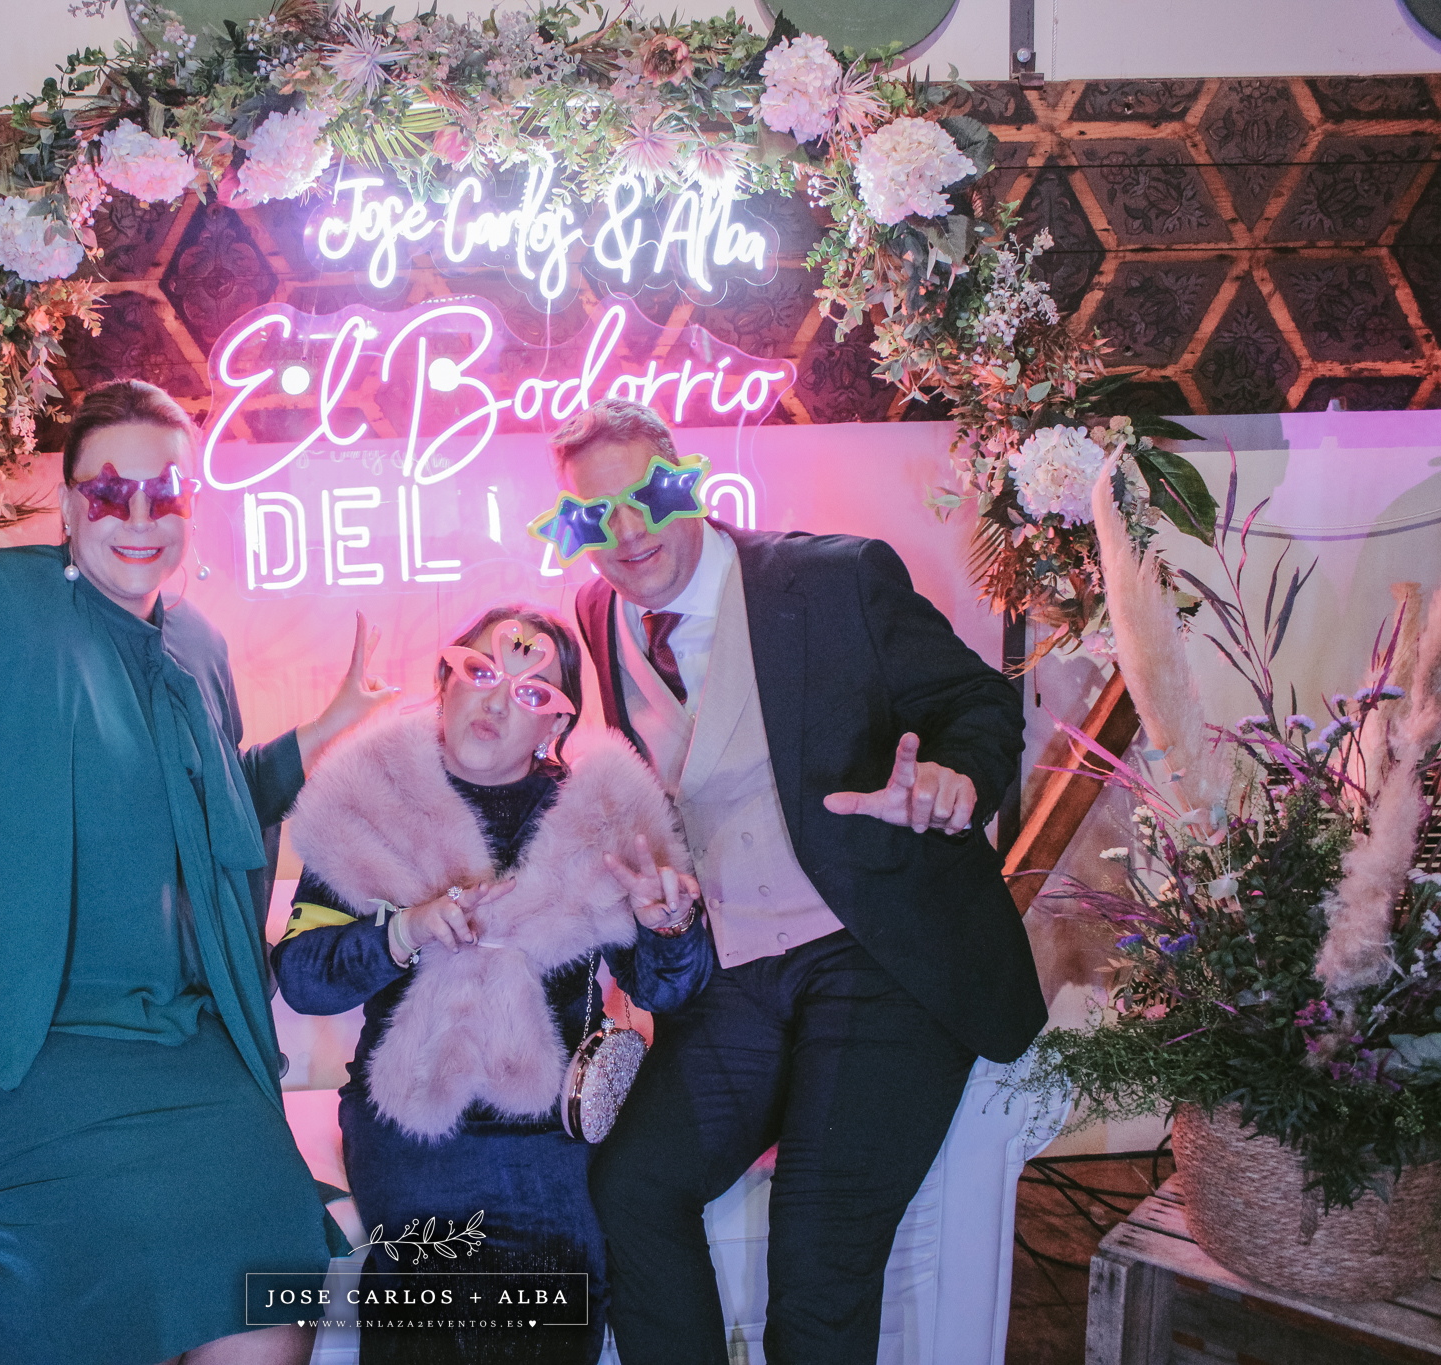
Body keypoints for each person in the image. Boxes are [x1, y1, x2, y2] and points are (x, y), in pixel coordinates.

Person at [0, 379, 396, 1365]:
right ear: (65, 504)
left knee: (268, 1252)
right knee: (89, 1244)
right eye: (108, 492)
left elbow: (209, 812)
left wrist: (331, 724)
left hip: (169, 1031)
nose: (137, 516)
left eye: (164, 492)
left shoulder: (196, 645)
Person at [540, 400, 1047, 1365]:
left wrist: (955, 778)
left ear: (687, 482)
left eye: (646, 496)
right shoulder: (600, 613)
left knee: (815, 1267)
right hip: (741, 974)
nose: (628, 532)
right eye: (594, 516)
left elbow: (976, 700)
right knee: (633, 1187)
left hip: (878, 953)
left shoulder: (834, 577)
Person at [270, 606, 714, 1365]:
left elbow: (666, 990)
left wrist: (669, 927)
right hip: (411, 1134)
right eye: (480, 671)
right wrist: (401, 933)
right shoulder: (369, 801)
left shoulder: (603, 816)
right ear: (443, 680)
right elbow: (303, 978)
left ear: (556, 724)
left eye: (534, 692)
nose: (498, 701)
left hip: (548, 1147)